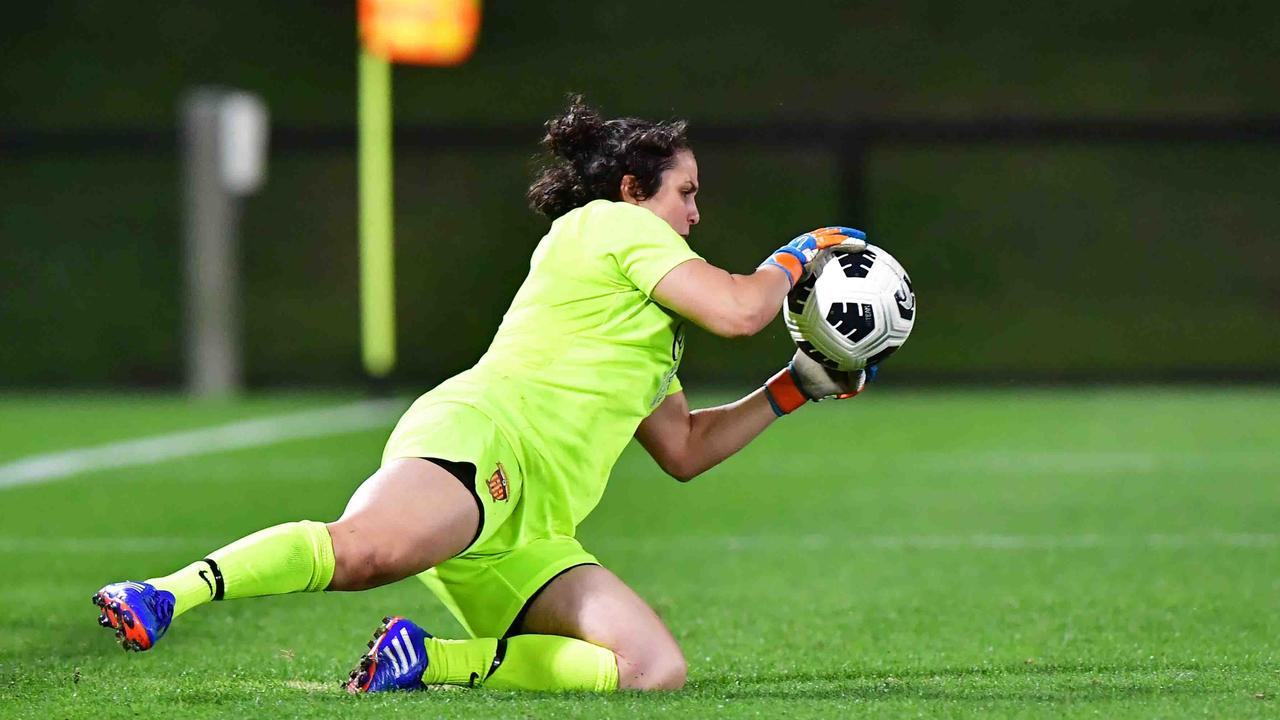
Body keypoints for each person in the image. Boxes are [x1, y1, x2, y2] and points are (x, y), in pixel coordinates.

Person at [92, 95, 873, 693]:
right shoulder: (611, 225)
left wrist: (797, 386)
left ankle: (426, 659)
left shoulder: (649, 324)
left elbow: (685, 449)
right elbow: (742, 310)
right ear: (636, 189)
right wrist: (799, 255)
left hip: (534, 529)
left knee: (650, 667)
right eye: (686, 193)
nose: (697, 214)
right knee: (368, 552)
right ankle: (163, 595)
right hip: (484, 442)